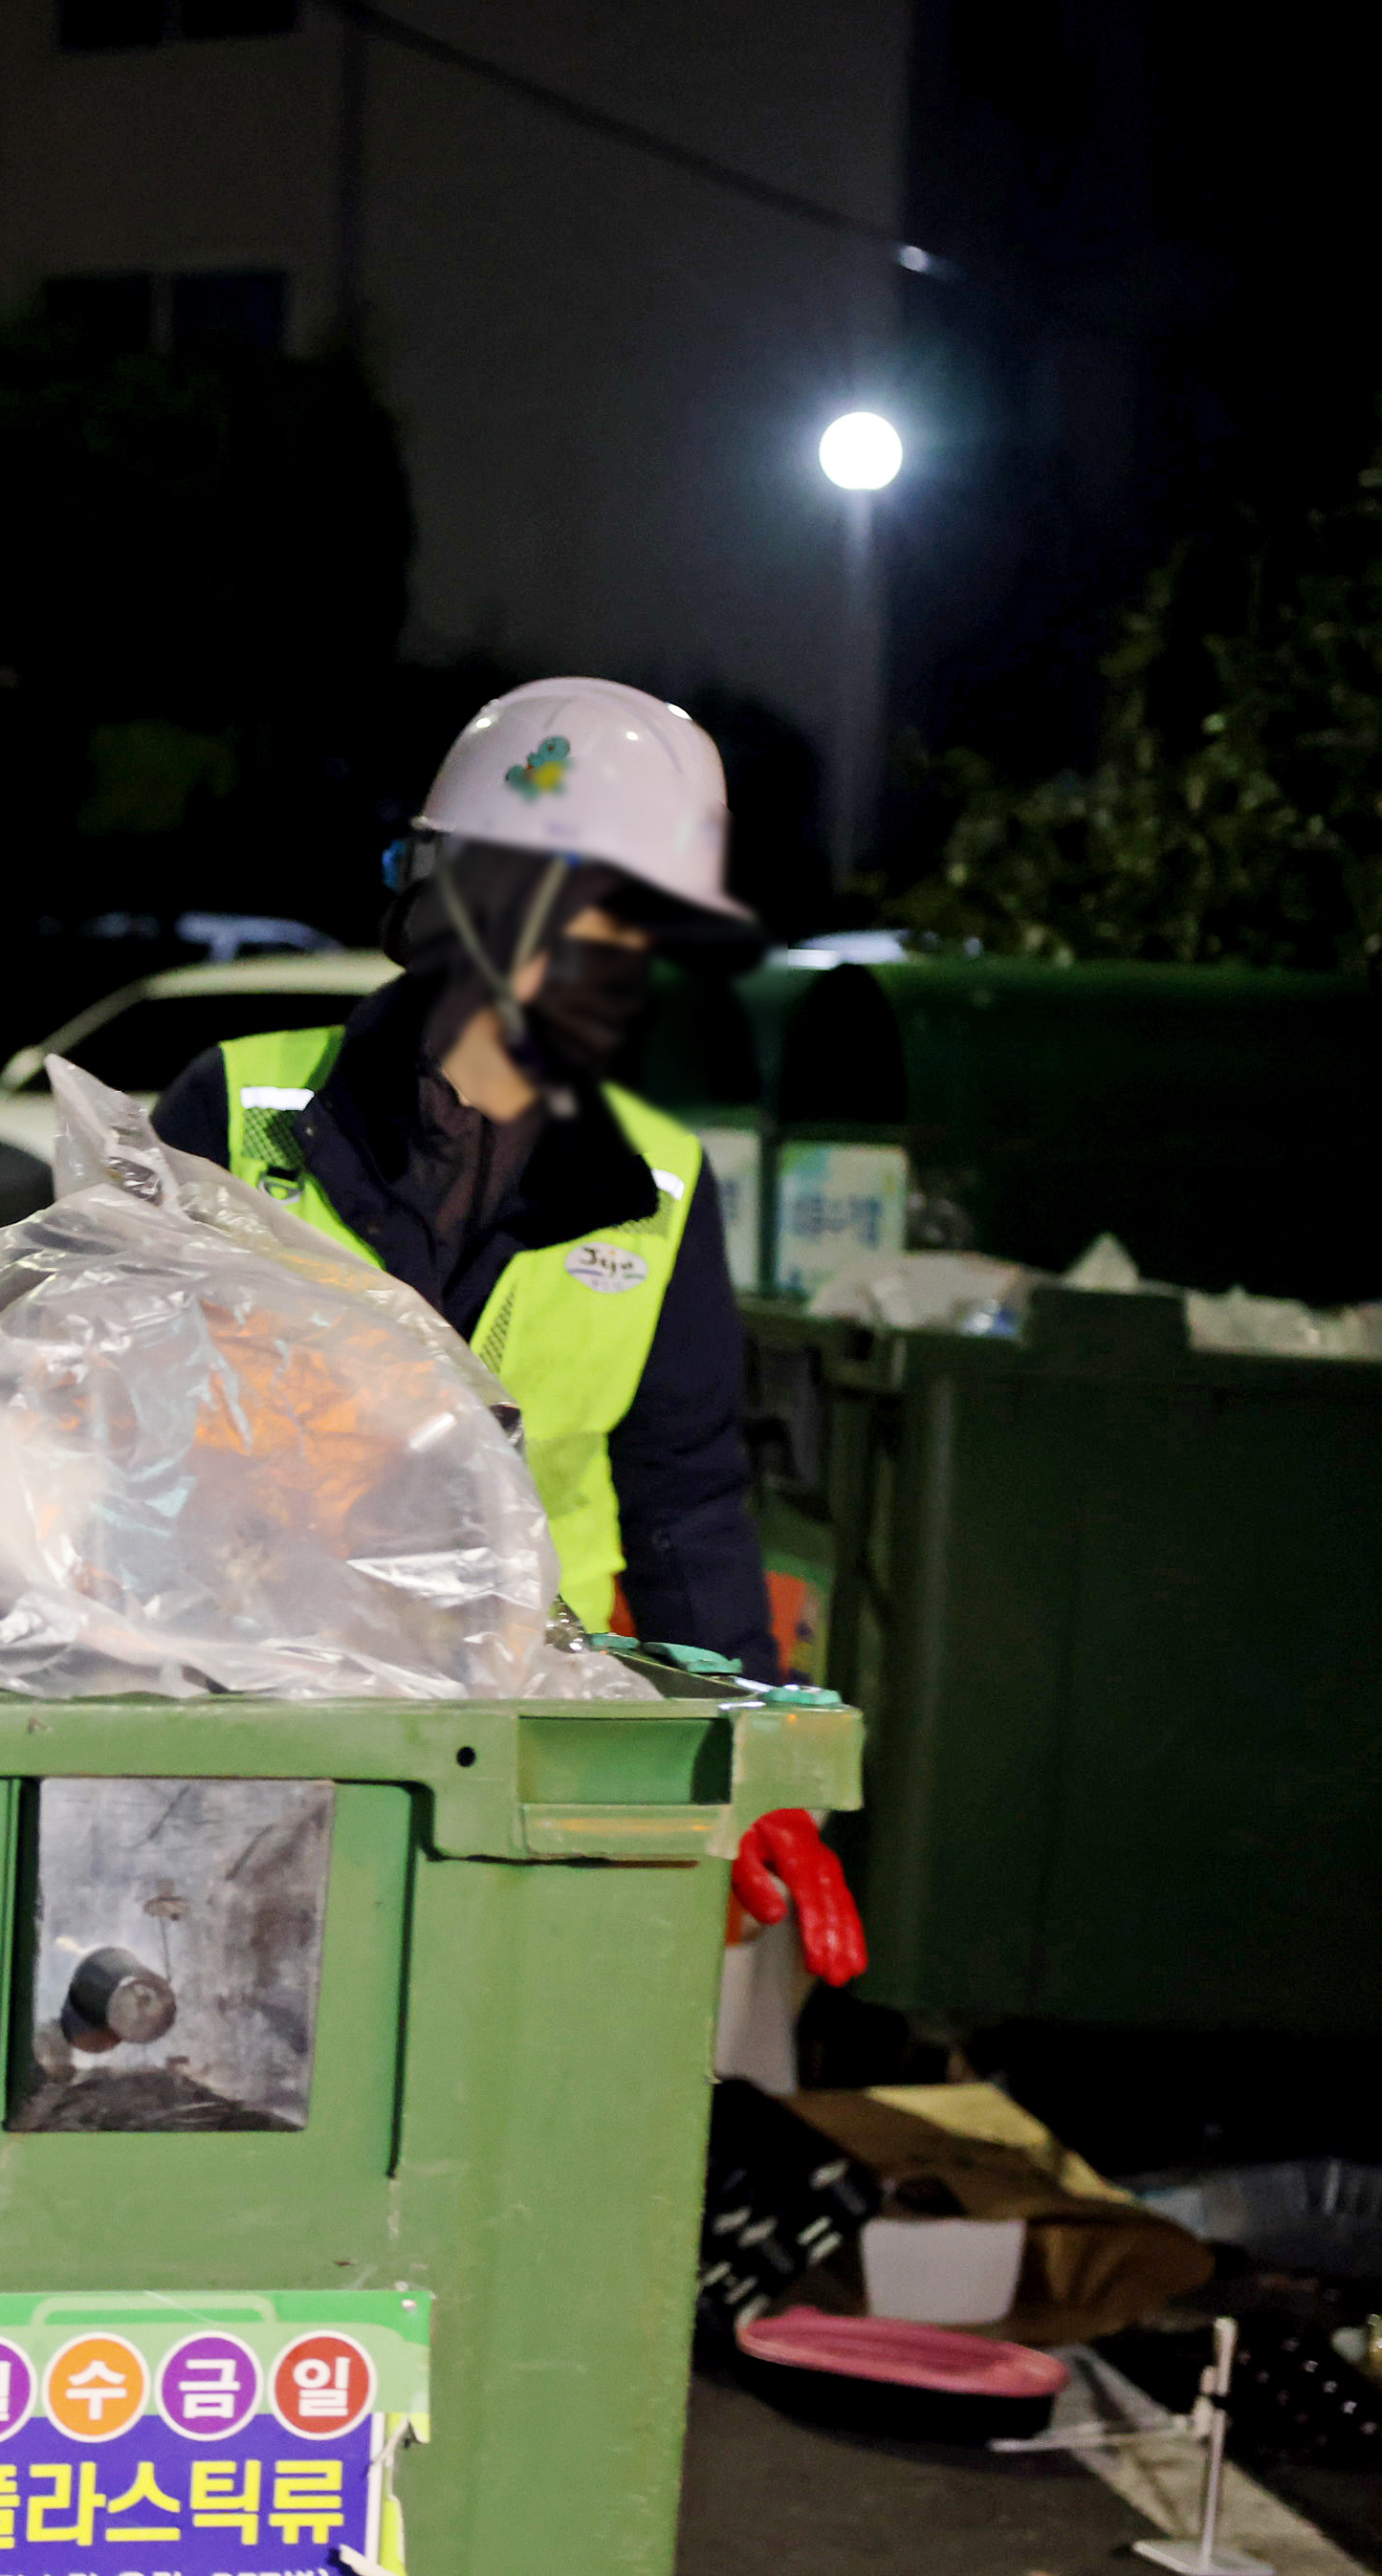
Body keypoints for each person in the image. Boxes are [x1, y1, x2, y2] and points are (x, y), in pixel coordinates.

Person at [148, 676, 859, 1980]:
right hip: (235, 1746)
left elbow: (687, 1502)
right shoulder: (233, 1112)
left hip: (526, 1772)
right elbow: (86, 1426)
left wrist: (758, 1768)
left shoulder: (658, 1189)